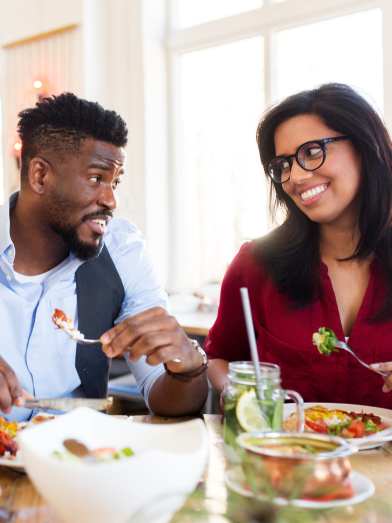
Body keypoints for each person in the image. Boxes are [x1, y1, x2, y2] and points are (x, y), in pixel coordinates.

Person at [0, 93, 208, 421]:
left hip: (81, 462)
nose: (111, 200)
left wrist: (188, 367)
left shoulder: (123, 251)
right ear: (40, 176)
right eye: (97, 179)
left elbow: (168, 398)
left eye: (116, 182)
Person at [206, 83, 392, 411]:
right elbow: (218, 357)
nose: (295, 177)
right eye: (283, 164)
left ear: (364, 146)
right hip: (290, 460)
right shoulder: (256, 264)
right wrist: (236, 391)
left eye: (312, 152)